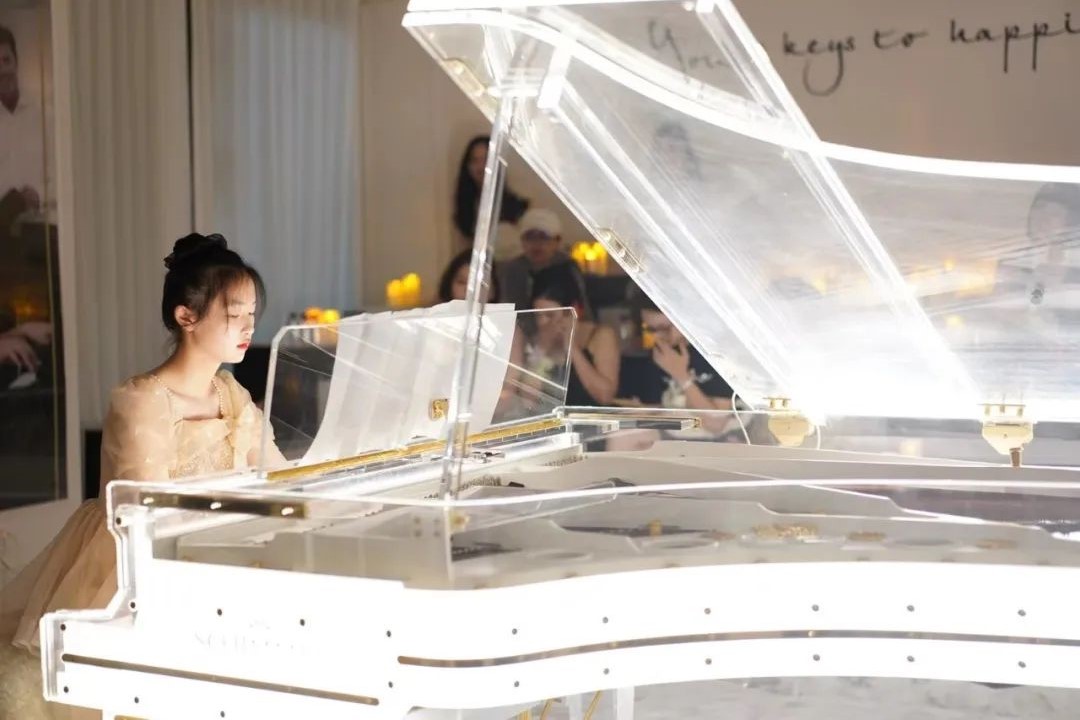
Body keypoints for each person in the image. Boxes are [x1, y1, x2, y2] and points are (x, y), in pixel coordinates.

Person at [0, 233, 285, 718]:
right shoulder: (143, 400)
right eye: (234, 313)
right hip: (136, 562)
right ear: (186, 316)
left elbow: (277, 473)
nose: (248, 327)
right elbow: (146, 509)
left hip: (215, 552)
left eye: (252, 314)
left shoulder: (231, 395)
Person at [528, 264, 619, 407]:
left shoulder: (600, 336)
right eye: (538, 315)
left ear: (573, 310)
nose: (543, 322)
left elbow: (605, 396)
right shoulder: (536, 341)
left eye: (550, 315)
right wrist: (542, 350)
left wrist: (571, 347)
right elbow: (527, 401)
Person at [499, 208, 589, 313]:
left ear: (557, 241)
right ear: (522, 241)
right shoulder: (514, 269)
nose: (536, 244)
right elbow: (511, 311)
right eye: (530, 237)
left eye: (543, 237)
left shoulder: (568, 266)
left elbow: (582, 308)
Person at [0, 24, 44, 225]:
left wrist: (38, 196)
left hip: (42, 230)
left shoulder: (45, 116)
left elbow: (62, 174)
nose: (2, 70)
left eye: (6, 60)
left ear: (16, 62)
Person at [453, 135, 529, 248]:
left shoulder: (518, 207)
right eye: (475, 161)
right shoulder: (466, 207)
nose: (481, 167)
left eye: (486, 160)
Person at [437, 248, 501, 303]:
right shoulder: (436, 312)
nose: (469, 289)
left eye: (479, 283)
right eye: (462, 282)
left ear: (493, 291)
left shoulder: (504, 313)